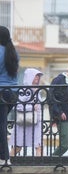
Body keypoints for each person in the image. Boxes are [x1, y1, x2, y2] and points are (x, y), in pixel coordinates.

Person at [10, 68, 43, 156]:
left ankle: (39, 166)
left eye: (38, 76)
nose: (37, 78)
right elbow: (18, 106)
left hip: (36, 121)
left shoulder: (37, 90)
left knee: (38, 145)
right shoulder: (23, 90)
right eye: (35, 76)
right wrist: (32, 107)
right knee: (17, 147)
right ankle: (7, 162)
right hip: (24, 122)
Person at [0, 26, 19, 166]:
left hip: (1, 92)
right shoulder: (13, 52)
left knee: (1, 126)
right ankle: (4, 158)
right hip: (13, 93)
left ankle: (5, 158)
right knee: (2, 124)